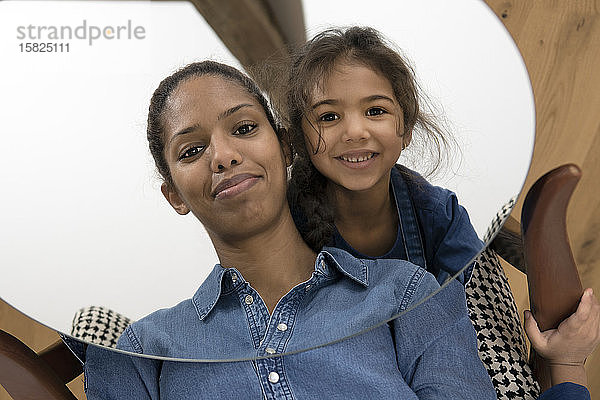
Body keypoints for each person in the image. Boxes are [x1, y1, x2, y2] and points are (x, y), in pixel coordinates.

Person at [84, 60, 497, 399]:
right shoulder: (141, 351)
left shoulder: (405, 293)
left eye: (244, 128)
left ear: (285, 147)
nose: (224, 156)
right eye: (192, 151)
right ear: (174, 195)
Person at [281, 26, 598, 398]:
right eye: (329, 117)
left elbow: (477, 320)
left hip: (440, 349)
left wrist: (562, 361)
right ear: (300, 138)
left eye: (375, 110)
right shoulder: (288, 222)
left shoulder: (434, 211)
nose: (355, 131)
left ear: (407, 128)